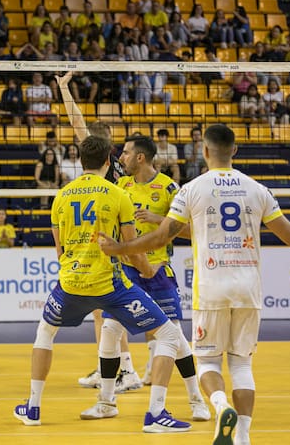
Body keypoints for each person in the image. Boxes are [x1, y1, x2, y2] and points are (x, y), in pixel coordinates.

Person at [99, 123, 290, 445]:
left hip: (212, 288)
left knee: (209, 362)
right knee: (242, 366)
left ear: (204, 151)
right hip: (248, 289)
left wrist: (119, 249)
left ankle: (220, 405)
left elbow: (160, 237)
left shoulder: (191, 189)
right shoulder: (257, 189)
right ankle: (243, 437)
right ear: (235, 150)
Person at [13, 135, 191, 433]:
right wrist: (148, 271)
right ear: (108, 161)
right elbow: (131, 249)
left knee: (45, 332)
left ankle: (33, 407)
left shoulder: (61, 196)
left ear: (81, 160)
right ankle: (155, 414)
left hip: (70, 283)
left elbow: (60, 251)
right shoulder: (118, 194)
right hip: (109, 284)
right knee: (170, 335)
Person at [116, 135, 210, 420]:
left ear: (140, 157)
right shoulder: (121, 186)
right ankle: (107, 398)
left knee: (175, 334)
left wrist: (160, 220)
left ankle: (196, 398)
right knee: (109, 327)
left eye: (125, 152)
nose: (121, 157)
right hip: (128, 267)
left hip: (158, 268)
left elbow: (194, 231)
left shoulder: (170, 188)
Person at [56, 72, 135, 393]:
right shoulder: (120, 167)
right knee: (105, 313)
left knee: (108, 312)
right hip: (114, 239)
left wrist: (63, 88)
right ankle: (113, 367)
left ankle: (125, 370)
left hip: (108, 244)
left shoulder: (107, 166)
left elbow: (77, 123)